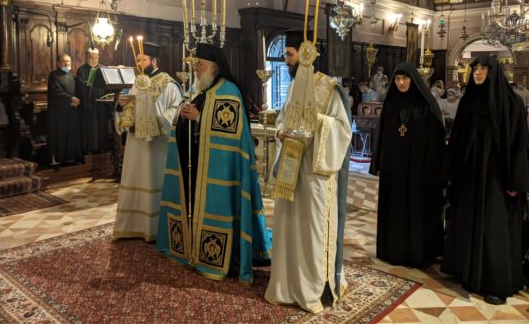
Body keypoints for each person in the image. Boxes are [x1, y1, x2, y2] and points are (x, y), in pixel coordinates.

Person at [156, 43, 271, 283]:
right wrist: (181, 114)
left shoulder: (229, 91)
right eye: (195, 64)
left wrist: (199, 118)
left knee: (215, 209)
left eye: (200, 64)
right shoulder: (196, 89)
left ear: (214, 67)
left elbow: (230, 137)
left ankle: (212, 258)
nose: (195, 68)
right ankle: (189, 249)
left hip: (218, 170)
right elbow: (180, 118)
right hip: (191, 165)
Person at [265, 31, 352, 313]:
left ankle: (315, 286)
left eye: (289, 54)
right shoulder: (293, 87)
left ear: (306, 54)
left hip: (316, 172)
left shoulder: (329, 88)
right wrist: (280, 131)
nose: (286, 60)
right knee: (289, 225)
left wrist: (317, 121)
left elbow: (343, 129)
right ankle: (288, 283)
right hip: (291, 168)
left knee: (312, 228)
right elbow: (283, 118)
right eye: (286, 55)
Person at [441, 56, 529, 305]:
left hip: (497, 177)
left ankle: (495, 283)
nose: (478, 73)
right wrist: (450, 172)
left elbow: (519, 144)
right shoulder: (468, 101)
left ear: (494, 72)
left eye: (483, 69)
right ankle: (468, 273)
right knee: (469, 221)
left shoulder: (511, 103)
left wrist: (516, 181)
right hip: (470, 174)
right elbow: (458, 139)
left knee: (494, 227)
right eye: (475, 69)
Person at [370, 62, 445, 268]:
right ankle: (391, 250)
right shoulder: (390, 105)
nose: (401, 82)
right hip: (393, 169)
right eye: (397, 79)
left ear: (413, 80)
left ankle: (418, 253)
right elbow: (381, 137)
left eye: (405, 79)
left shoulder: (427, 106)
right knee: (394, 209)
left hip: (418, 170)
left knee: (416, 210)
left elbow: (436, 140)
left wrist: (432, 169)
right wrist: (378, 164)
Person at [113, 43, 182, 241]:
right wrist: (120, 105)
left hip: (156, 145)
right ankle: (133, 225)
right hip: (136, 142)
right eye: (137, 60)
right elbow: (128, 112)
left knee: (153, 180)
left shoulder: (168, 83)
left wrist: (158, 123)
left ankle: (154, 228)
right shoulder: (137, 83)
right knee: (134, 178)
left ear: (154, 60)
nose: (139, 64)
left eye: (143, 60)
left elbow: (176, 110)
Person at [46, 54, 82, 165]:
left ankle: (70, 158)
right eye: (64, 61)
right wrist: (71, 99)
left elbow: (78, 91)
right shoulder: (54, 75)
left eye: (68, 61)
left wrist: (78, 100)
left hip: (71, 111)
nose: (66, 63)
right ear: (58, 63)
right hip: (58, 112)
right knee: (59, 136)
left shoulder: (72, 76)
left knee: (71, 135)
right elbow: (56, 92)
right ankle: (58, 159)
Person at [76, 48, 111, 154]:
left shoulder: (103, 68)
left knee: (102, 124)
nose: (94, 60)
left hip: (101, 101)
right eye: (92, 57)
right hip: (89, 102)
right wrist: (89, 83)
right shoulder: (81, 70)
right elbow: (80, 86)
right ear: (87, 57)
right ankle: (89, 149)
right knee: (90, 126)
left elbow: (108, 84)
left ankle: (102, 147)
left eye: (97, 57)